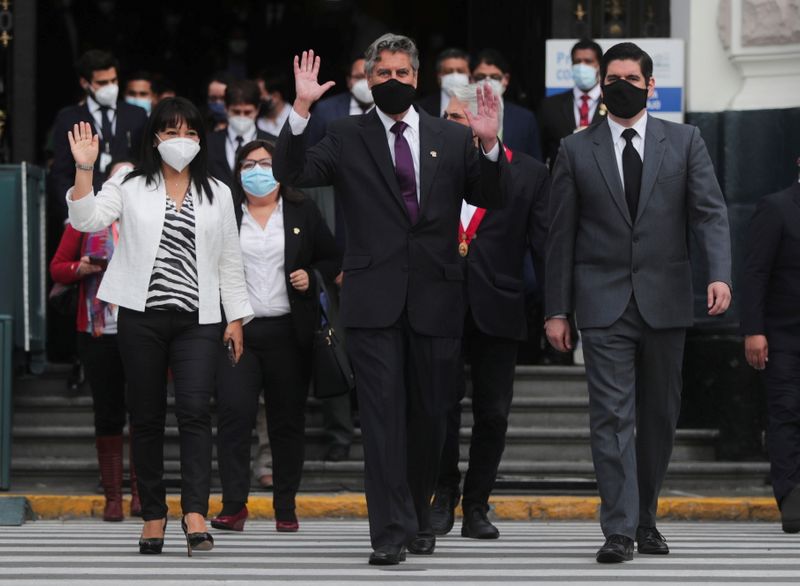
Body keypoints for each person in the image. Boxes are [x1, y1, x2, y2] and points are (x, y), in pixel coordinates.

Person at [273, 34, 506, 565]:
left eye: (403, 73)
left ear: (416, 78)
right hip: (373, 300)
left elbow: (491, 196)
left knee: (430, 416)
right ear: (369, 79)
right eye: (384, 74)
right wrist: (302, 108)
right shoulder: (345, 135)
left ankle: (420, 517)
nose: (394, 81)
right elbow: (292, 172)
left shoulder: (451, 138)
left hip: (437, 299)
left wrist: (488, 145)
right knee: (380, 418)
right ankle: (389, 532)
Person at [545, 42, 732, 564]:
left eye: (631, 76)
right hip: (602, 304)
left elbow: (710, 213)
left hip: (667, 301)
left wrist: (720, 275)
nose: (620, 84)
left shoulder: (686, 140)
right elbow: (560, 236)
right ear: (601, 84)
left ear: (652, 84)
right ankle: (619, 528)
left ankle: (645, 516)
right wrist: (556, 309)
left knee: (659, 417)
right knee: (610, 416)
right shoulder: (575, 149)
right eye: (612, 76)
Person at [65, 97, 254, 556]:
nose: (180, 141)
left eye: (189, 132)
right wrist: (85, 169)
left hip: (199, 320)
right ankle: (153, 514)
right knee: (145, 416)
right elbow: (85, 218)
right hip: (140, 317)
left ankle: (194, 512)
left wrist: (236, 318)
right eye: (170, 132)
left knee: (193, 410)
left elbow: (230, 259)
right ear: (155, 138)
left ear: (200, 139)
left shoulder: (219, 191)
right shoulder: (130, 184)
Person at [429, 83, 549, 539]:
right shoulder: (427, 169)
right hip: (437, 305)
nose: (455, 125)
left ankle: (477, 506)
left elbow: (544, 247)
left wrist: (556, 311)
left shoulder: (529, 173)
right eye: (449, 118)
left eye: (464, 117)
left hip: (498, 306)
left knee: (493, 412)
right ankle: (443, 496)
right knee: (440, 408)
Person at [210, 139, 341, 534]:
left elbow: (331, 257)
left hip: (289, 331)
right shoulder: (226, 213)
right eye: (248, 163)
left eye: (266, 163)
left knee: (287, 422)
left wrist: (310, 276)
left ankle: (285, 506)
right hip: (239, 330)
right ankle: (234, 506)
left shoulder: (302, 208)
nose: (257, 170)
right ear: (237, 171)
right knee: (234, 415)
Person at [49, 159, 141, 523]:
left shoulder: (147, 220)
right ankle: (114, 497)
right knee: (107, 413)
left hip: (140, 330)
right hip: (97, 331)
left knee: (143, 412)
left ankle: (140, 492)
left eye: (130, 176)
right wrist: (81, 268)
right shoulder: (85, 221)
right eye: (117, 175)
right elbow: (57, 267)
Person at [305, 53, 376, 462]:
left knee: (374, 354)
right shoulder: (327, 122)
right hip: (332, 270)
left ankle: (373, 426)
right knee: (334, 348)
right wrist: (335, 266)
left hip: (377, 270)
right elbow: (316, 212)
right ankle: (338, 434)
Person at [741, 176, 800, 534]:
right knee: (786, 413)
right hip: (783, 335)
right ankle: (792, 499)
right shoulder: (776, 207)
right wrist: (754, 330)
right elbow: (755, 271)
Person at [50, 49, 148, 220]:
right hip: (87, 208)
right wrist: (71, 214)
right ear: (84, 83)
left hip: (130, 209)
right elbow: (61, 172)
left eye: (113, 80)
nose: (110, 87)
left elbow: (148, 161)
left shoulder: (137, 115)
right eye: (102, 83)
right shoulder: (69, 118)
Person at [538, 39, 606, 169]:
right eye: (577, 62)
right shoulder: (550, 106)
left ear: (600, 66)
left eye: (588, 61)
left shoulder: (613, 105)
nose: (581, 67)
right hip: (561, 183)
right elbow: (541, 152)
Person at [471, 49, 542, 161]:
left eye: (494, 77)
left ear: (506, 79)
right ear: (471, 79)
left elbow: (535, 164)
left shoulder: (525, 118)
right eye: (481, 77)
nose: (487, 82)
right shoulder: (463, 114)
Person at [207, 79, 277, 187]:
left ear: (257, 109)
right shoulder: (208, 143)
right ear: (226, 108)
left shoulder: (273, 143)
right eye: (236, 111)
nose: (242, 116)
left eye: (248, 112)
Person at [417, 48, 471, 118]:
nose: (455, 76)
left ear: (469, 75)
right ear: (439, 77)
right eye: (448, 72)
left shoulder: (479, 106)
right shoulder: (421, 108)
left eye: (460, 71)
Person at [255, 70, 294, 136]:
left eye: (260, 94)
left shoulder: (296, 119)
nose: (256, 98)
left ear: (276, 96)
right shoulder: (256, 121)